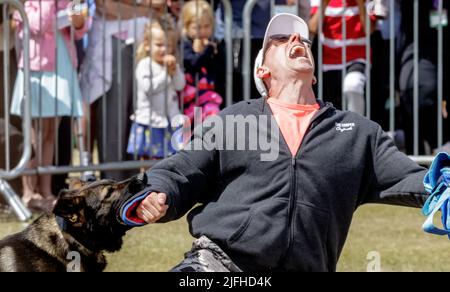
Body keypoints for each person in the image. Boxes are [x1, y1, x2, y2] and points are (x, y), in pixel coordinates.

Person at [115, 13, 448, 272]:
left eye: (302, 37)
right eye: (279, 38)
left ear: (314, 74)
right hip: (220, 266)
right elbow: (179, 170)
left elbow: (416, 179)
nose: (295, 38)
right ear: (263, 71)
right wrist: (154, 193)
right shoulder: (234, 121)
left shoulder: (358, 132)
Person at [10, 0, 87, 211]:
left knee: (51, 133)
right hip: (38, 68)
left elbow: (80, 30)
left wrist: (78, 21)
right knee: (36, 134)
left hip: (62, 64)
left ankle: (46, 191)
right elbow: (36, 25)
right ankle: (28, 192)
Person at [127, 22, 185, 159]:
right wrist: (166, 74)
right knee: (146, 161)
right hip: (150, 122)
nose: (164, 49)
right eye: (159, 45)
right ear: (147, 45)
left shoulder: (171, 65)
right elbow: (149, 88)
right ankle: (145, 181)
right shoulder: (144, 64)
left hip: (169, 121)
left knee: (169, 159)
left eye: (168, 45)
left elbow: (180, 86)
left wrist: (175, 71)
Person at [309, 0, 375, 116]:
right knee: (334, 108)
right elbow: (313, 28)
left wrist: (360, 4)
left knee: (353, 86)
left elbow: (370, 30)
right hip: (330, 61)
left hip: (357, 57)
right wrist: (324, 4)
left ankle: (357, 129)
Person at [181, 0, 224, 122]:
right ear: (186, 26)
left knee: (212, 119)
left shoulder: (215, 44)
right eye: (197, 27)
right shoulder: (184, 44)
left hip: (209, 97)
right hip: (189, 98)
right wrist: (205, 51)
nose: (203, 31)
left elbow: (221, 69)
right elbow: (193, 65)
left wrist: (214, 51)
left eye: (207, 26)